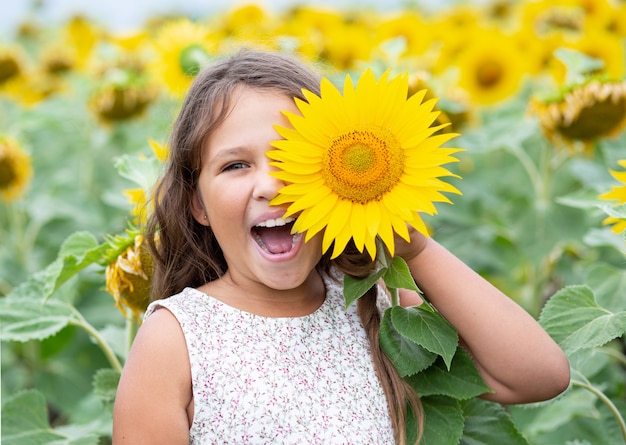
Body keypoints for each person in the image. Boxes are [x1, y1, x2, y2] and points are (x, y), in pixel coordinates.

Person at [112, 49, 570, 445]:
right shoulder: (178, 338)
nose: (270, 185)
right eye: (236, 165)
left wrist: (415, 250)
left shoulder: (375, 304)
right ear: (198, 204)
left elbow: (537, 376)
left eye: (291, 158)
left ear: (335, 175)